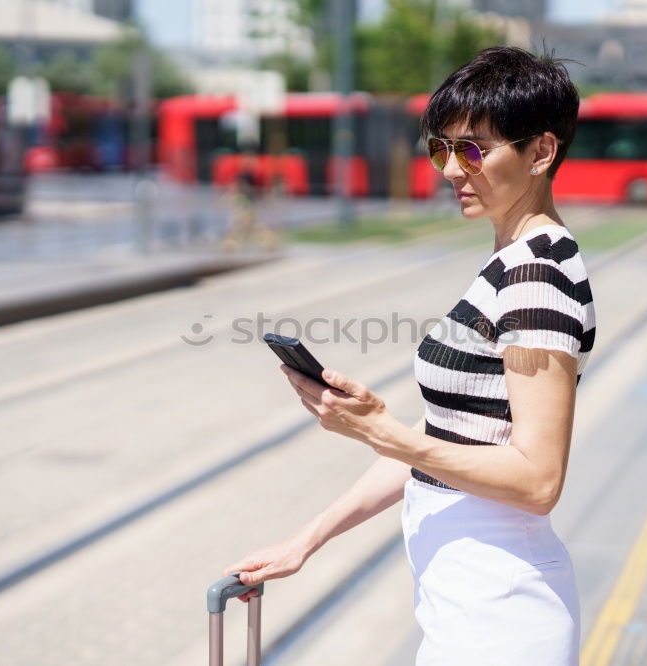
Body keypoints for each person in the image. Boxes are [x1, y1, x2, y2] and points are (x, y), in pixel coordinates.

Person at [222, 46, 595, 665]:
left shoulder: (536, 279)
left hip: (498, 613)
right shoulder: (512, 265)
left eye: (473, 149)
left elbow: (538, 480)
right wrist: (305, 541)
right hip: (466, 600)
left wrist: (382, 433)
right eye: (441, 149)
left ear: (542, 152)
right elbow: (453, 434)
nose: (452, 169)